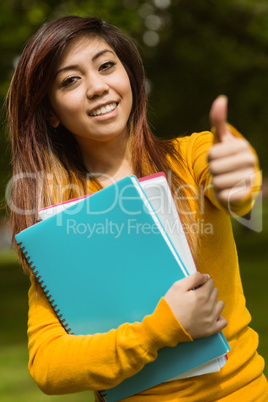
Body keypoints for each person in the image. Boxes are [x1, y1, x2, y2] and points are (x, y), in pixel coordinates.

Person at [7, 15, 267, 401]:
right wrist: (163, 327)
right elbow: (48, 366)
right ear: (51, 113)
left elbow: (235, 189)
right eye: (70, 81)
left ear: (129, 75)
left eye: (106, 65)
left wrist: (238, 175)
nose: (97, 87)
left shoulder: (193, 155)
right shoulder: (59, 221)